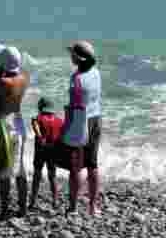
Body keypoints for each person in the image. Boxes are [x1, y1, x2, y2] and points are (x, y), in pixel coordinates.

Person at [0, 42, 30, 220]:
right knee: (20, 170)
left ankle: (4, 210)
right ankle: (22, 208)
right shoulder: (24, 78)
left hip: (6, 126)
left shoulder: (2, 82)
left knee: (4, 171)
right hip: (19, 123)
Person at [60, 40, 103, 215]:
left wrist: (64, 129)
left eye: (72, 54)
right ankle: (93, 207)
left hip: (80, 121)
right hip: (96, 119)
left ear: (78, 58)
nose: (70, 56)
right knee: (92, 165)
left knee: (76, 167)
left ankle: (73, 207)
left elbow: (74, 107)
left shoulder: (76, 80)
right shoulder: (96, 73)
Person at [28, 97, 64, 211]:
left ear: (41, 107)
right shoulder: (59, 120)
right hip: (54, 150)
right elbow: (63, 133)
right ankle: (55, 200)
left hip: (41, 149)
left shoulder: (38, 117)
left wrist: (39, 136)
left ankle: (33, 201)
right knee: (52, 176)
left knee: (37, 174)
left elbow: (35, 124)